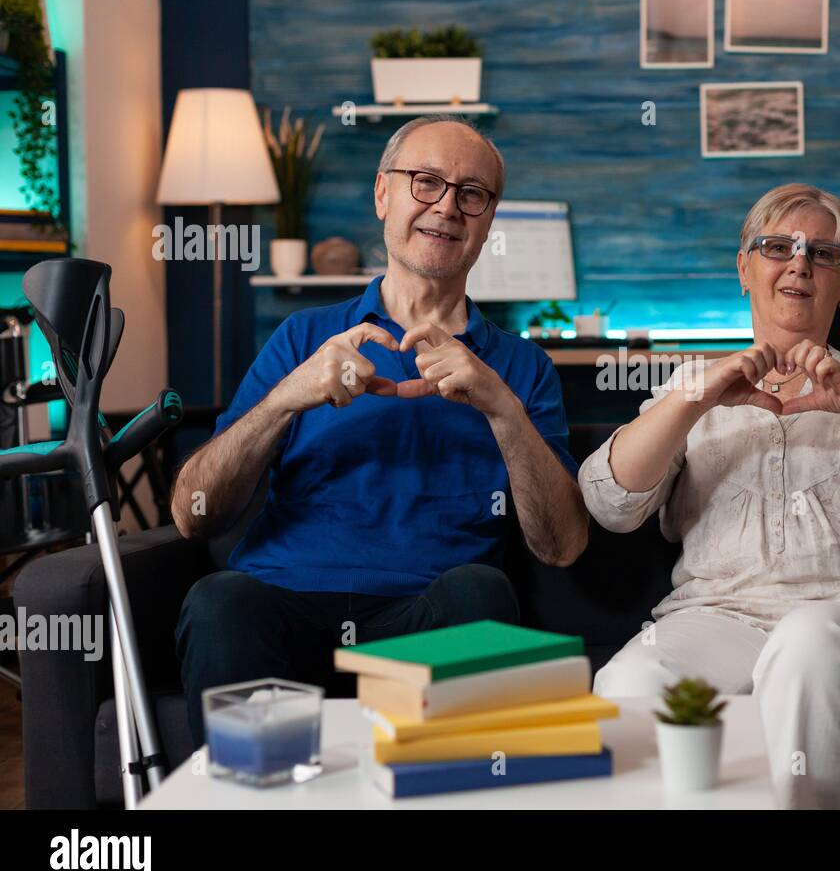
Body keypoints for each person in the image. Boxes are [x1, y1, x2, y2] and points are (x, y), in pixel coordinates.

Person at [579, 183, 840, 809]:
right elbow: (611, 506)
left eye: (822, 254)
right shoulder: (692, 387)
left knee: (810, 637)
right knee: (630, 678)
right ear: (745, 269)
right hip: (726, 616)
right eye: (777, 246)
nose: (799, 263)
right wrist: (692, 400)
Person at [171, 116, 588, 741]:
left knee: (481, 591)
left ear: (488, 221)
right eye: (426, 182)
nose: (447, 206)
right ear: (382, 195)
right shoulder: (303, 339)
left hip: (426, 618)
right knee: (219, 600)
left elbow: (563, 546)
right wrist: (289, 396)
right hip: (284, 604)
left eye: (472, 193)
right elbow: (192, 515)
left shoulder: (521, 368)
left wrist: (502, 407)